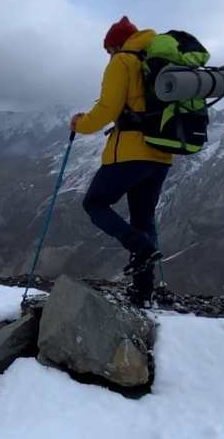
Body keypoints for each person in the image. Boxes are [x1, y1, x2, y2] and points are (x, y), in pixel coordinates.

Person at [71, 16, 172, 303]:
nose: (107, 55)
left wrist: (81, 124)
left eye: (107, 50)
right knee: (143, 216)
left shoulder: (123, 61)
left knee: (95, 203)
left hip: (129, 152)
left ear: (116, 45)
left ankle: (139, 246)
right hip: (162, 154)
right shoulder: (153, 60)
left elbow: (108, 107)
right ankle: (143, 290)